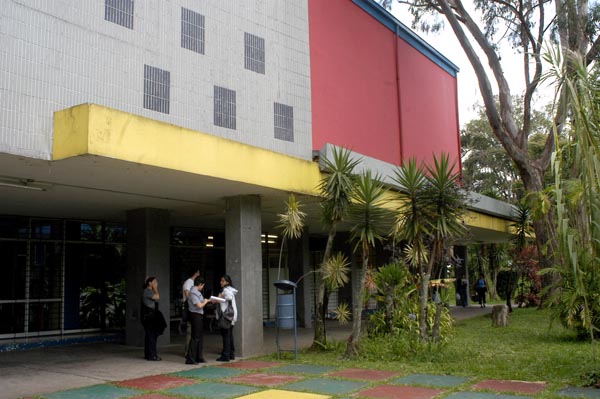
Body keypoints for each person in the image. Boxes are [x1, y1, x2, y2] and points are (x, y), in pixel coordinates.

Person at [213, 274, 238, 362]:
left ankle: (226, 356)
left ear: (227, 282)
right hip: (231, 316)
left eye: (222, 281)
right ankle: (231, 354)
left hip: (226, 316)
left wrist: (220, 297)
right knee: (229, 335)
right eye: (221, 280)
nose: (221, 282)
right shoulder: (230, 289)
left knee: (226, 336)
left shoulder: (226, 290)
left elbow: (229, 297)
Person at [185, 276, 209, 364]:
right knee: (195, 337)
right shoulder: (193, 293)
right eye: (202, 286)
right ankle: (190, 358)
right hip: (195, 315)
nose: (203, 287)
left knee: (199, 337)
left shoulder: (197, 292)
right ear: (200, 284)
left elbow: (202, 301)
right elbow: (199, 305)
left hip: (199, 315)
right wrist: (206, 301)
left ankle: (199, 357)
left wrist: (208, 300)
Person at [141, 276, 165, 361]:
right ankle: (152, 355)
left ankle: (148, 354)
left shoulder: (148, 291)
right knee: (151, 336)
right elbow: (157, 296)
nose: (156, 284)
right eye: (154, 282)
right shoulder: (147, 291)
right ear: (150, 283)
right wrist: (155, 288)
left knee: (149, 336)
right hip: (149, 317)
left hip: (151, 316)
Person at [182, 269, 200, 354]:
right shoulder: (189, 282)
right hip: (190, 309)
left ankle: (191, 351)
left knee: (193, 330)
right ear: (196, 272)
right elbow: (187, 295)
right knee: (190, 330)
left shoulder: (191, 282)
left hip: (192, 308)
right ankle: (188, 352)